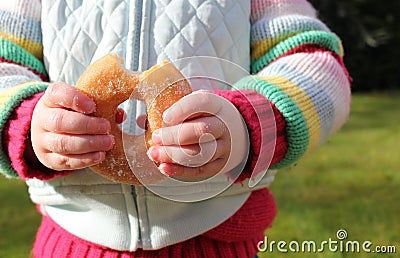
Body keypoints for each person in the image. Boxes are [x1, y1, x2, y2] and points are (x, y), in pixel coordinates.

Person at [0, 0, 351, 257]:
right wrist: (27, 124)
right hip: (73, 238)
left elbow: (315, 62)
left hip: (219, 238)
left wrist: (251, 123)